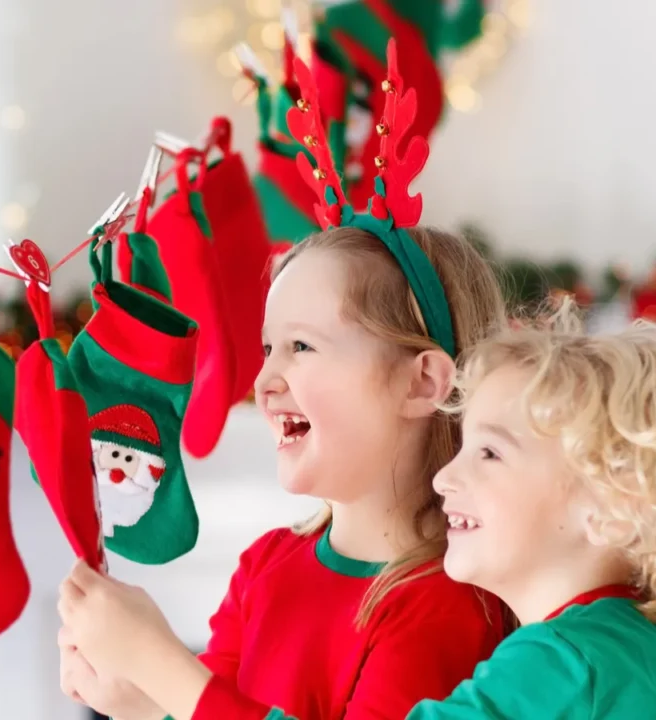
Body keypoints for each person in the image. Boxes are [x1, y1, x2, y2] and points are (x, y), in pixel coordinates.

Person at [56, 42, 511, 720]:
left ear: (421, 383)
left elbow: (201, 700)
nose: (265, 379)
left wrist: (159, 664)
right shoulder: (267, 564)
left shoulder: (446, 603)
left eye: (302, 346)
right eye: (269, 348)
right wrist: (137, 704)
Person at [407, 304, 656, 718]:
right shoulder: (634, 644)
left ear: (609, 507)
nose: (443, 478)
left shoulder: (561, 660)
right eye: (462, 448)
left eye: (489, 453)